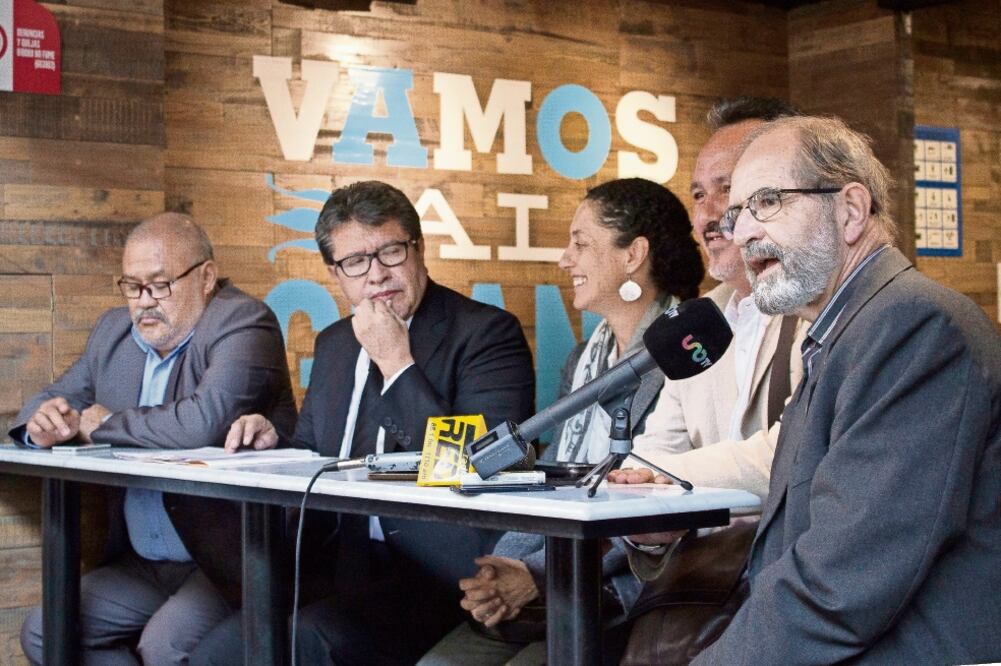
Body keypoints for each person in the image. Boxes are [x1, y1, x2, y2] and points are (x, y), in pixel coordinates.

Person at [689, 115, 1001, 663]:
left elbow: (844, 582)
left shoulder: (912, 327)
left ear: (851, 210)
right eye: (738, 214)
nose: (739, 234)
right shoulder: (848, 329)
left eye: (766, 202)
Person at [190, 180, 536, 666]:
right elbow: (317, 449)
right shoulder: (335, 342)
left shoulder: (486, 334)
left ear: (418, 248)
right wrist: (274, 439)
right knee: (216, 652)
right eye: (355, 262)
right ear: (336, 273)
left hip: (439, 576)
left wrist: (396, 363)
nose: (376, 275)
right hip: (335, 561)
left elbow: (476, 469)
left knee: (302, 643)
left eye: (390, 252)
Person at [418, 178, 705, 665]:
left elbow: (648, 501)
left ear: (633, 254)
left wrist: (538, 576)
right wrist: (509, 565)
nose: (565, 259)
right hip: (555, 581)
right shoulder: (581, 361)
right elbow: (556, 480)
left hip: (629, 595)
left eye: (581, 243)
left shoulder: (684, 357)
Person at [13, 213, 298, 665]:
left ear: (205, 277)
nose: (144, 302)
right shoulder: (113, 332)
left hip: (224, 560)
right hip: (141, 562)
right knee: (46, 633)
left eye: (160, 285)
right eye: (132, 286)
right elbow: (53, 397)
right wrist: (40, 423)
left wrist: (102, 425)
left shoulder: (243, 322)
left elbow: (201, 423)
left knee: (165, 647)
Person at [611, 96, 805, 503]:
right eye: (698, 195)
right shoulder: (699, 319)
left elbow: (791, 453)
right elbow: (654, 448)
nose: (705, 217)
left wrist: (660, 476)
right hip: (698, 558)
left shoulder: (817, 309)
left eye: (727, 188)